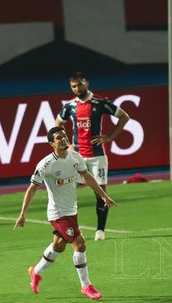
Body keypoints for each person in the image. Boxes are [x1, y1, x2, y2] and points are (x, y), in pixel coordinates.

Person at [14, 127, 117, 300]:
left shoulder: (75, 157)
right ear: (51, 143)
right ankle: (86, 286)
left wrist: (104, 196)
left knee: (59, 246)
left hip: (72, 210)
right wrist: (22, 213)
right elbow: (32, 188)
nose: (63, 139)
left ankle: (36, 271)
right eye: (58, 138)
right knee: (80, 244)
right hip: (57, 213)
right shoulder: (46, 165)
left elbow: (87, 176)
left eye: (64, 136)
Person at [55, 72, 129, 241]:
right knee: (69, 193)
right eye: (73, 86)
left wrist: (110, 137)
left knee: (101, 193)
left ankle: (100, 231)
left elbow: (124, 117)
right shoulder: (70, 106)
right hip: (76, 156)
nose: (77, 88)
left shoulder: (100, 102)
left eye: (80, 84)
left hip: (97, 157)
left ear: (86, 83)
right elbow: (58, 123)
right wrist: (67, 143)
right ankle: (74, 228)